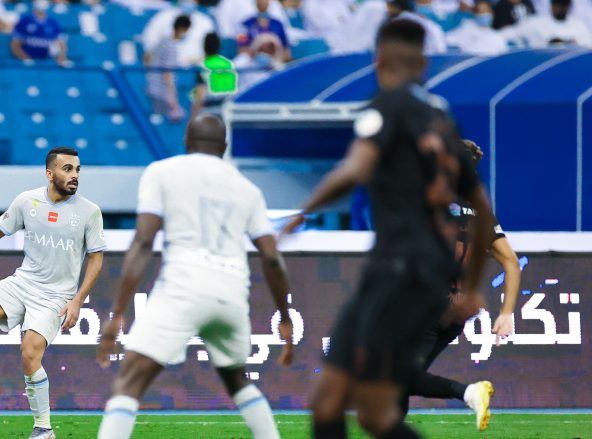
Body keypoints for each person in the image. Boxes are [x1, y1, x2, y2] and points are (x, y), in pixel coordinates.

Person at [281, 20, 494, 438]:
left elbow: (356, 167)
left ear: (378, 59)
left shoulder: (385, 106)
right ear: (424, 62)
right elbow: (483, 212)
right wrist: (470, 287)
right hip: (420, 276)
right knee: (373, 414)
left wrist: (301, 211)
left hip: (397, 270)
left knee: (333, 401)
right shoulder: (441, 118)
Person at [96, 113, 294, 439]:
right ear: (225, 147)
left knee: (129, 381)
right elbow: (272, 258)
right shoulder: (248, 189)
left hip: (183, 286)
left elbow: (144, 241)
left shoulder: (163, 172)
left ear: (186, 143)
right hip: (231, 292)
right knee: (236, 379)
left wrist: (117, 313)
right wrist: (284, 316)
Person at [0, 147, 106, 439]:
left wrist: (77, 300)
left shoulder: (89, 212)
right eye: (68, 169)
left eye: (77, 170)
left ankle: (43, 429)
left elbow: (96, 257)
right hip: (23, 282)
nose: (74, 176)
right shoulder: (27, 201)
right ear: (50, 173)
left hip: (56, 297)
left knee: (29, 353)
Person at [402, 139, 521, 432]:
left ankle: (467, 392)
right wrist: (506, 313)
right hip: (456, 312)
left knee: (396, 376)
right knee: (400, 380)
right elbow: (512, 263)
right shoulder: (482, 213)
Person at [141, 0, 216, 67]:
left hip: (195, 69)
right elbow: (150, 41)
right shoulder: (163, 16)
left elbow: (210, 50)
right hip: (165, 66)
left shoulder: (206, 22)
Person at [146, 15, 190, 122]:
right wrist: (172, 99)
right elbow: (168, 73)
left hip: (153, 88)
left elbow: (147, 58)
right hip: (162, 93)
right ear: (182, 29)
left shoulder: (163, 41)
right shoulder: (171, 46)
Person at [500, 0, 592, 48]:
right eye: (557, 5)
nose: (560, 8)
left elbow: (588, 44)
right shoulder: (536, 23)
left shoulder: (578, 25)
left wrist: (572, 43)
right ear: (552, 5)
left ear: (568, 6)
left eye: (563, 5)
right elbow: (512, 33)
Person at [192, 32, 237, 117]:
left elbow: (200, 95)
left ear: (204, 46)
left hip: (208, 111)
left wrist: (193, 116)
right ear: (219, 46)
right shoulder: (229, 64)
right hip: (227, 110)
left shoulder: (202, 66)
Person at [11, 0, 68, 65]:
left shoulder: (53, 23)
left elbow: (62, 44)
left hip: (47, 62)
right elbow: (15, 44)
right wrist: (25, 58)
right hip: (25, 62)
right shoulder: (24, 21)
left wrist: (61, 58)